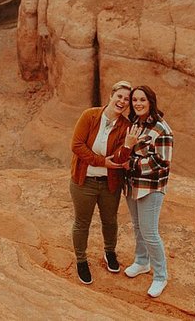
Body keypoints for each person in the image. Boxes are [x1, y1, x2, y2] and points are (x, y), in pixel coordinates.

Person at [112, 84, 174, 298]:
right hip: (132, 185)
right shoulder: (135, 124)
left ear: (151, 102)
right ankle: (141, 261)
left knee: (150, 232)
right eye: (135, 100)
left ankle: (160, 276)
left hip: (151, 187)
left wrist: (132, 163)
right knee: (138, 227)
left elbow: (162, 161)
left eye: (142, 100)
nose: (138, 103)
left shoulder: (161, 129)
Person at [69, 79, 132, 285]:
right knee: (82, 222)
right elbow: (77, 145)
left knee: (110, 221)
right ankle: (81, 260)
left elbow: (120, 158)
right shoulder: (90, 116)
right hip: (84, 180)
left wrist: (128, 147)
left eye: (126, 99)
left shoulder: (126, 126)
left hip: (109, 184)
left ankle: (110, 253)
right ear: (111, 96)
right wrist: (102, 161)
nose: (122, 101)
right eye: (119, 96)